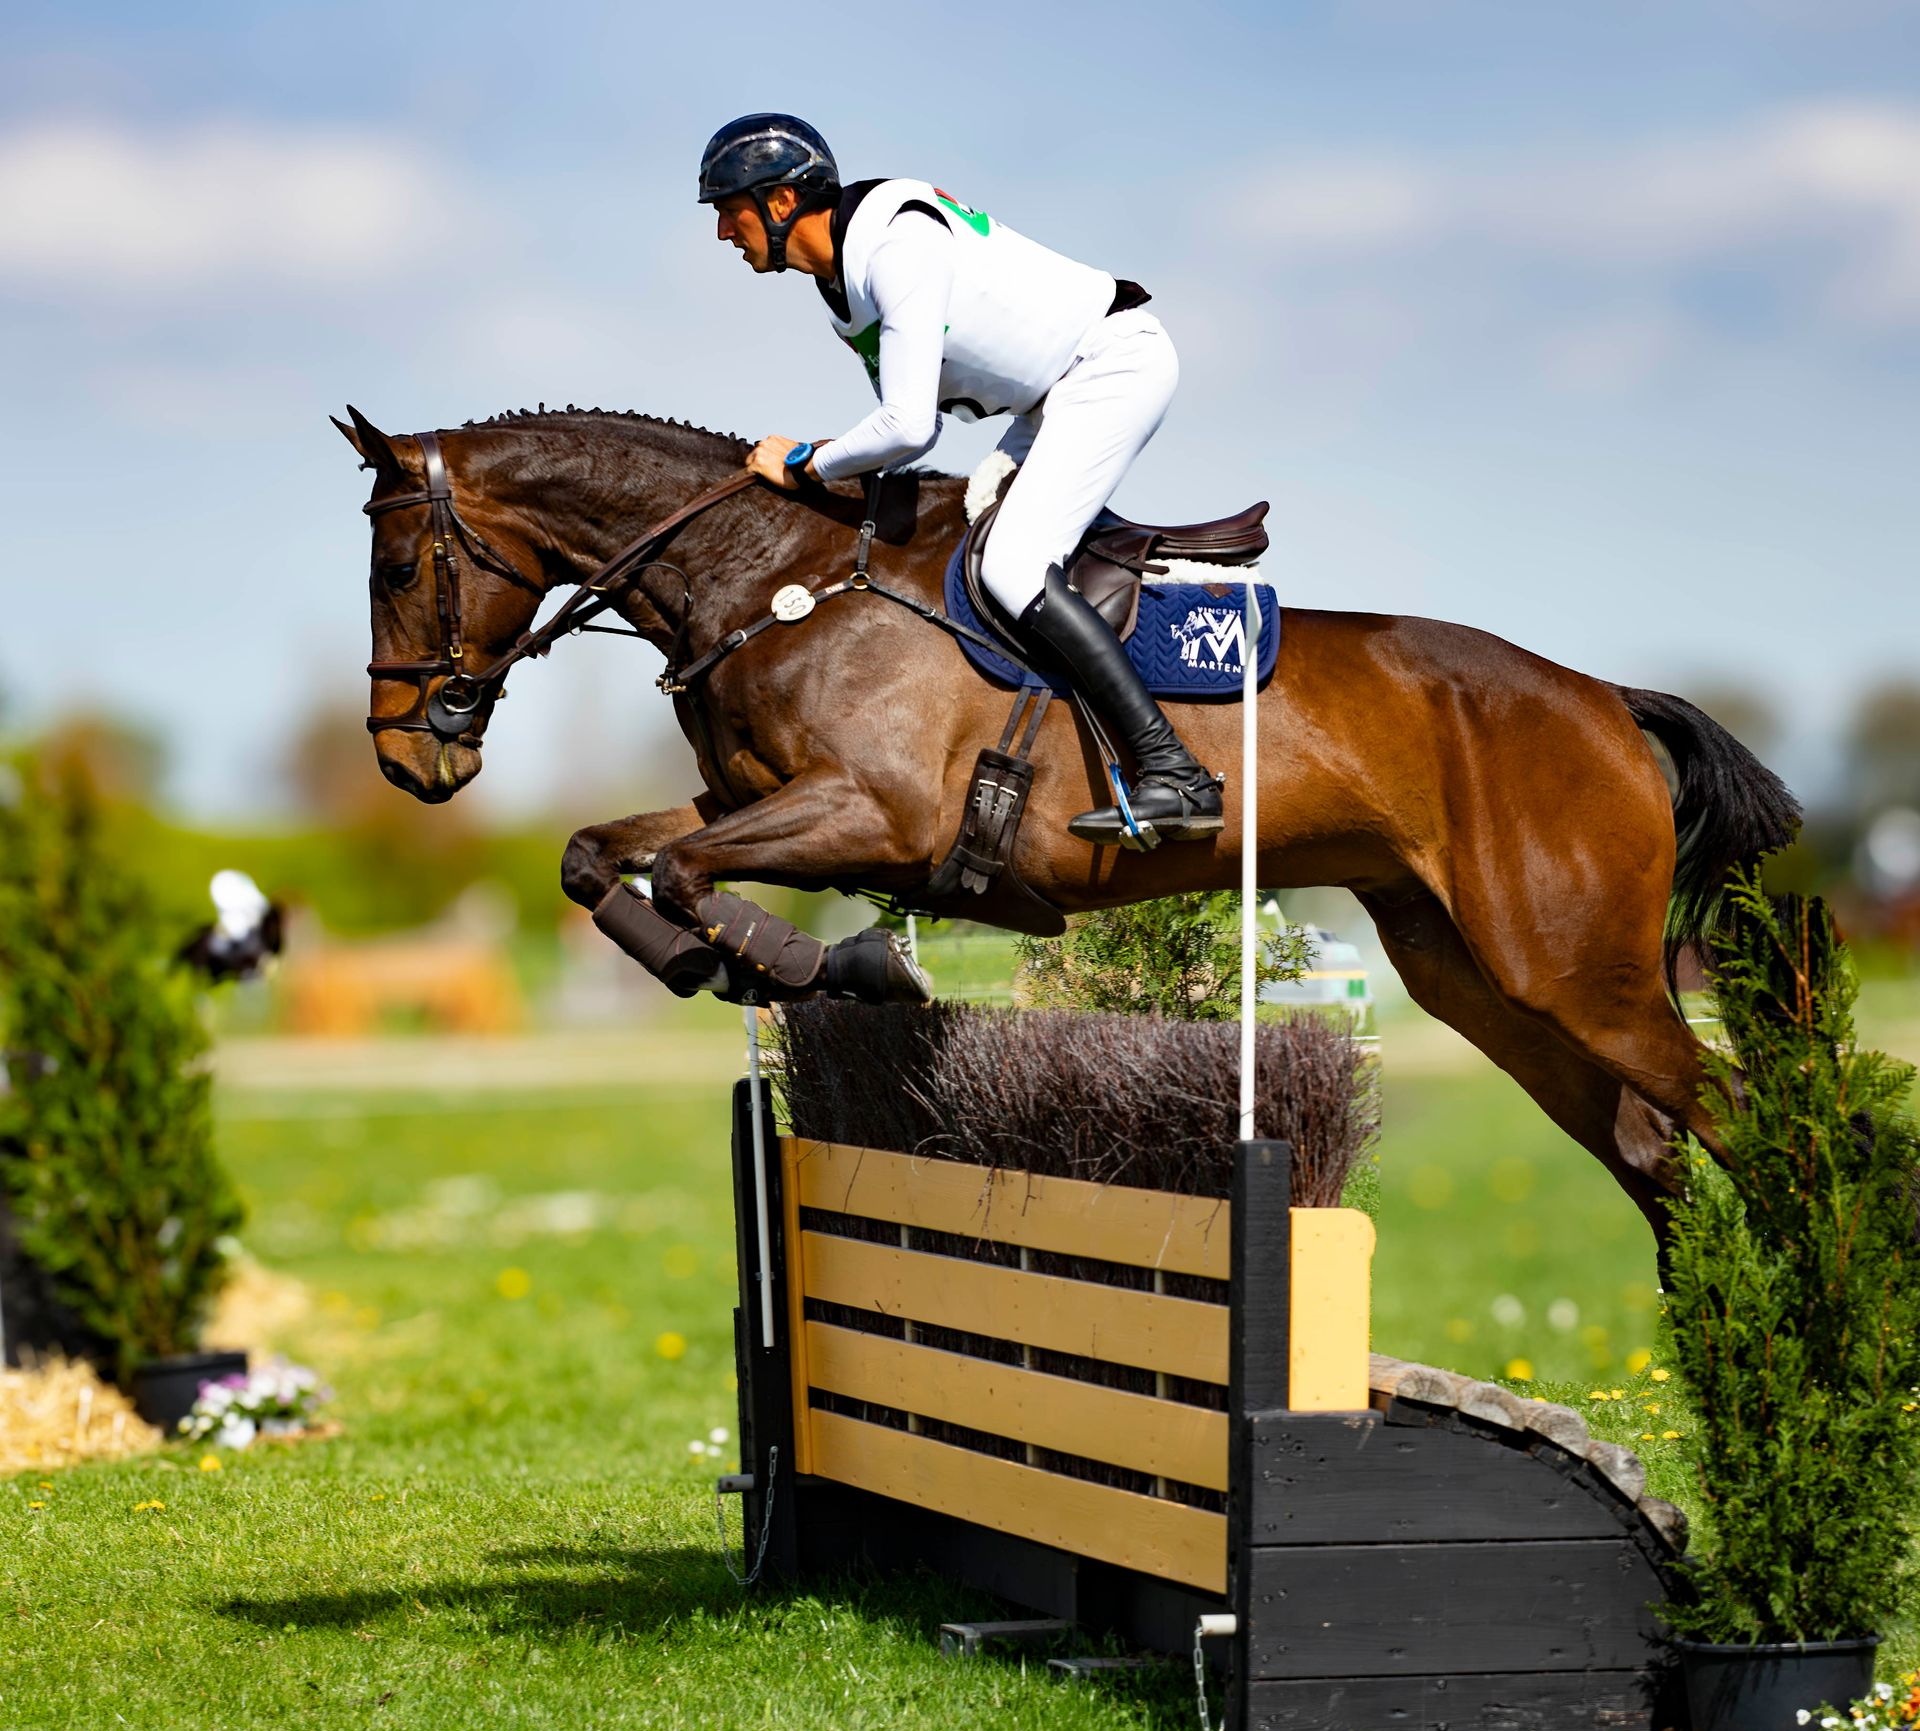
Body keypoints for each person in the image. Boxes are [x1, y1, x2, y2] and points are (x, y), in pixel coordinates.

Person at [698, 113, 1224, 845]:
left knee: (1010, 564)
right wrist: (824, 457)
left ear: (781, 204)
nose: (725, 233)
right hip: (1051, 397)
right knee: (972, 539)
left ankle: (1176, 773)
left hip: (1110, 366)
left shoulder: (894, 250)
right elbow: (915, 428)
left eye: (729, 211)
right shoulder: (842, 289)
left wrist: (804, 462)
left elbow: (909, 427)